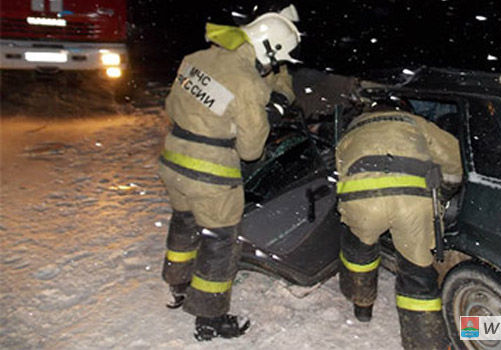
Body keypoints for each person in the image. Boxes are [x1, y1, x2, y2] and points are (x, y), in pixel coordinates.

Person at [158, 4, 301, 341]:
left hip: (173, 162)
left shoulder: (194, 59)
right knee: (218, 242)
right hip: (211, 174)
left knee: (185, 222)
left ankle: (178, 284)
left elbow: (175, 105)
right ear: (269, 48)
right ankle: (209, 317)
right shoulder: (246, 81)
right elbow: (251, 151)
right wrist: (269, 114)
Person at [335, 100, 463, 349]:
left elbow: (341, 172)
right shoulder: (415, 123)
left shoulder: (351, 131)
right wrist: (446, 189)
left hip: (363, 201)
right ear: (403, 109)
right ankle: (423, 341)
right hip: (412, 202)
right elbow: (454, 159)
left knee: (359, 254)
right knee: (417, 271)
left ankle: (362, 304)